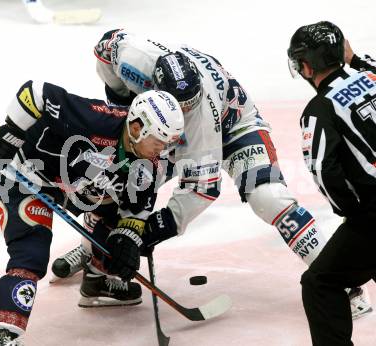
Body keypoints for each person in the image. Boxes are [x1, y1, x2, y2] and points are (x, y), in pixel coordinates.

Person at [50, 29, 370, 317]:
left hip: (236, 128)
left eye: (189, 107)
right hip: (156, 124)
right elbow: (106, 52)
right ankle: (98, 267)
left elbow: (201, 188)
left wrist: (147, 233)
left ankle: (341, 282)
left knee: (268, 197)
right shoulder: (135, 56)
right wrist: (124, 107)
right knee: (108, 182)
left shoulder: (199, 120)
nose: (185, 112)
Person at [0, 81, 184, 345]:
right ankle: (7, 334)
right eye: (159, 141)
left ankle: (97, 279)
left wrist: (127, 240)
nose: (162, 150)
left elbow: (135, 209)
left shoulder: (148, 165)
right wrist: (10, 134)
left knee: (115, 233)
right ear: (137, 128)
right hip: (23, 177)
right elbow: (36, 92)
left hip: (73, 186)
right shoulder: (98, 120)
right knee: (31, 254)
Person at [288, 21, 376, 345]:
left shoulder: (319, 108)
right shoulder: (370, 76)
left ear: (308, 66)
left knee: (320, 283)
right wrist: (354, 60)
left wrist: (353, 214)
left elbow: (323, 169)